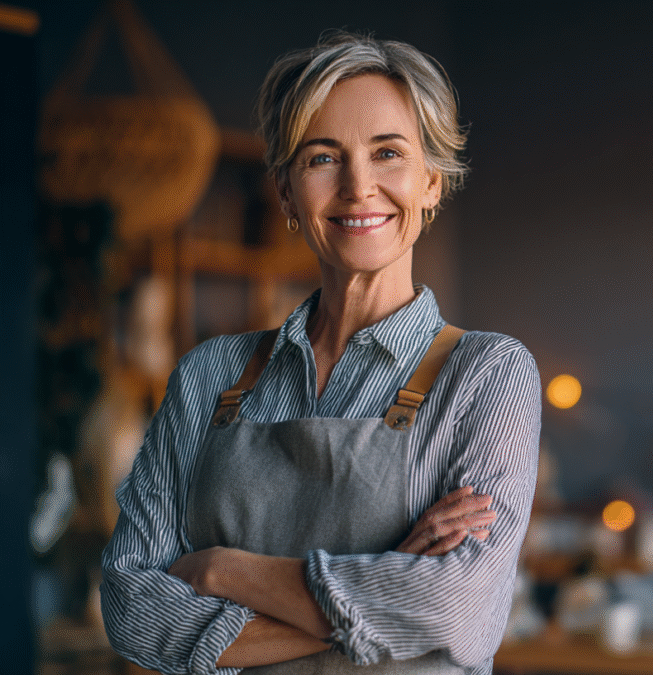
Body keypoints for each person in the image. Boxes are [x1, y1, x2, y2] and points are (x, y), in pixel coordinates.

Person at [100, 32, 541, 675]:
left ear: (431, 182)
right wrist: (383, 595)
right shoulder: (209, 375)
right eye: (321, 158)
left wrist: (222, 570)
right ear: (285, 193)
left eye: (387, 153)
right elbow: (131, 608)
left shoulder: (486, 374)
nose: (358, 187)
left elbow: (457, 615)